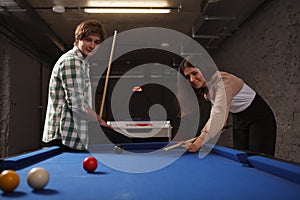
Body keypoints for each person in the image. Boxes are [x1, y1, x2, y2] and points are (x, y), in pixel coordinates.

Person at [42, 19, 132, 151]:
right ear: (77, 39)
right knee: (125, 143)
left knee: (122, 141)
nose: (92, 45)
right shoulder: (73, 62)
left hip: (76, 131)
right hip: (65, 134)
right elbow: (78, 106)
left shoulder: (83, 63)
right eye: (88, 40)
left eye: (96, 42)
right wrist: (100, 121)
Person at [177, 58, 277, 156]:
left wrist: (199, 142)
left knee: (258, 158)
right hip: (239, 119)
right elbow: (218, 110)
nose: (192, 79)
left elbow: (218, 114)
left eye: (194, 73)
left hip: (259, 118)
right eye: (188, 77)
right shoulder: (207, 89)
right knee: (242, 157)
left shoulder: (223, 81)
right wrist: (219, 124)